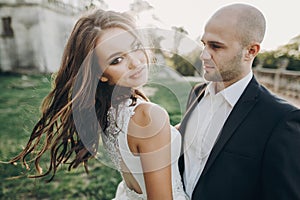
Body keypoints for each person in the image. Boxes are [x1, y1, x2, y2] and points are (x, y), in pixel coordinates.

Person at [9, 9, 188, 200]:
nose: (135, 62)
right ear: (100, 74)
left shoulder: (112, 109)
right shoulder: (148, 116)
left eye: (135, 47)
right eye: (117, 60)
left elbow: (145, 147)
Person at [178, 3, 300, 200]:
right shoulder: (197, 93)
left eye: (215, 46)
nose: (203, 55)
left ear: (251, 51)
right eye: (204, 44)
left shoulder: (281, 119)